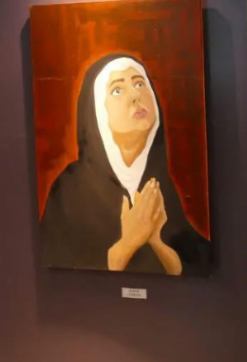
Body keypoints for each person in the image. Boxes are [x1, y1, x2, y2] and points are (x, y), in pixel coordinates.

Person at [41, 54, 210, 275]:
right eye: (117, 90)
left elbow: (202, 270)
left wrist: (157, 243)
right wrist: (127, 244)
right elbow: (55, 272)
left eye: (139, 84)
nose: (135, 96)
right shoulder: (69, 190)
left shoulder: (159, 187)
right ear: (98, 113)